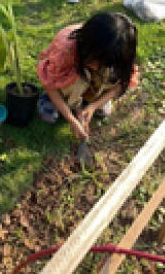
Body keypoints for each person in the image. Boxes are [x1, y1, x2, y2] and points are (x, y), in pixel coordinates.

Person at [36, 12, 138, 162]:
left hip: (89, 78)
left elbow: (123, 81)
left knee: (108, 84)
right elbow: (49, 83)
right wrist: (71, 119)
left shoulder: (119, 52)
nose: (98, 66)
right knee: (73, 86)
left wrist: (94, 107)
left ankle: (84, 103)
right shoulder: (66, 49)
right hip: (69, 74)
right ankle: (59, 100)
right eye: (96, 61)